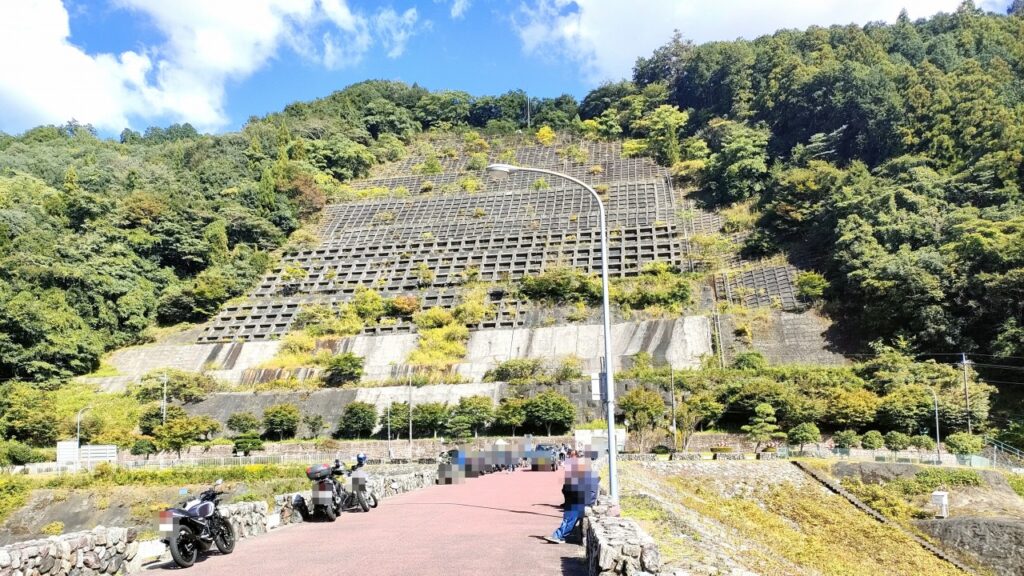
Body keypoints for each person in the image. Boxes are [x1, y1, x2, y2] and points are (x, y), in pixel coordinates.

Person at [545, 454, 599, 544]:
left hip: (581, 503)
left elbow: (591, 494)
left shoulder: (590, 476)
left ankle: (559, 536)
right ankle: (558, 535)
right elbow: (566, 489)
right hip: (574, 501)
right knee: (567, 517)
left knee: (570, 516)